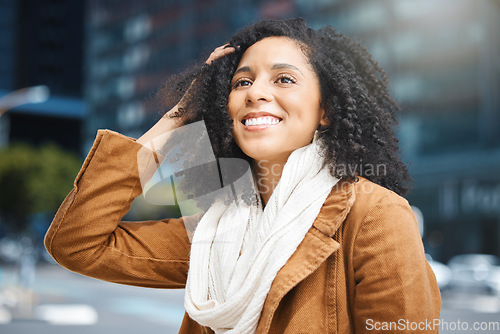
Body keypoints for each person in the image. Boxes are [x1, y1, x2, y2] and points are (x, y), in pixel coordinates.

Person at [45, 18, 441, 334]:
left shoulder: (375, 215)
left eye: (284, 78)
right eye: (242, 82)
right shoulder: (213, 228)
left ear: (326, 110)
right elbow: (77, 243)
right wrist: (179, 117)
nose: (255, 93)